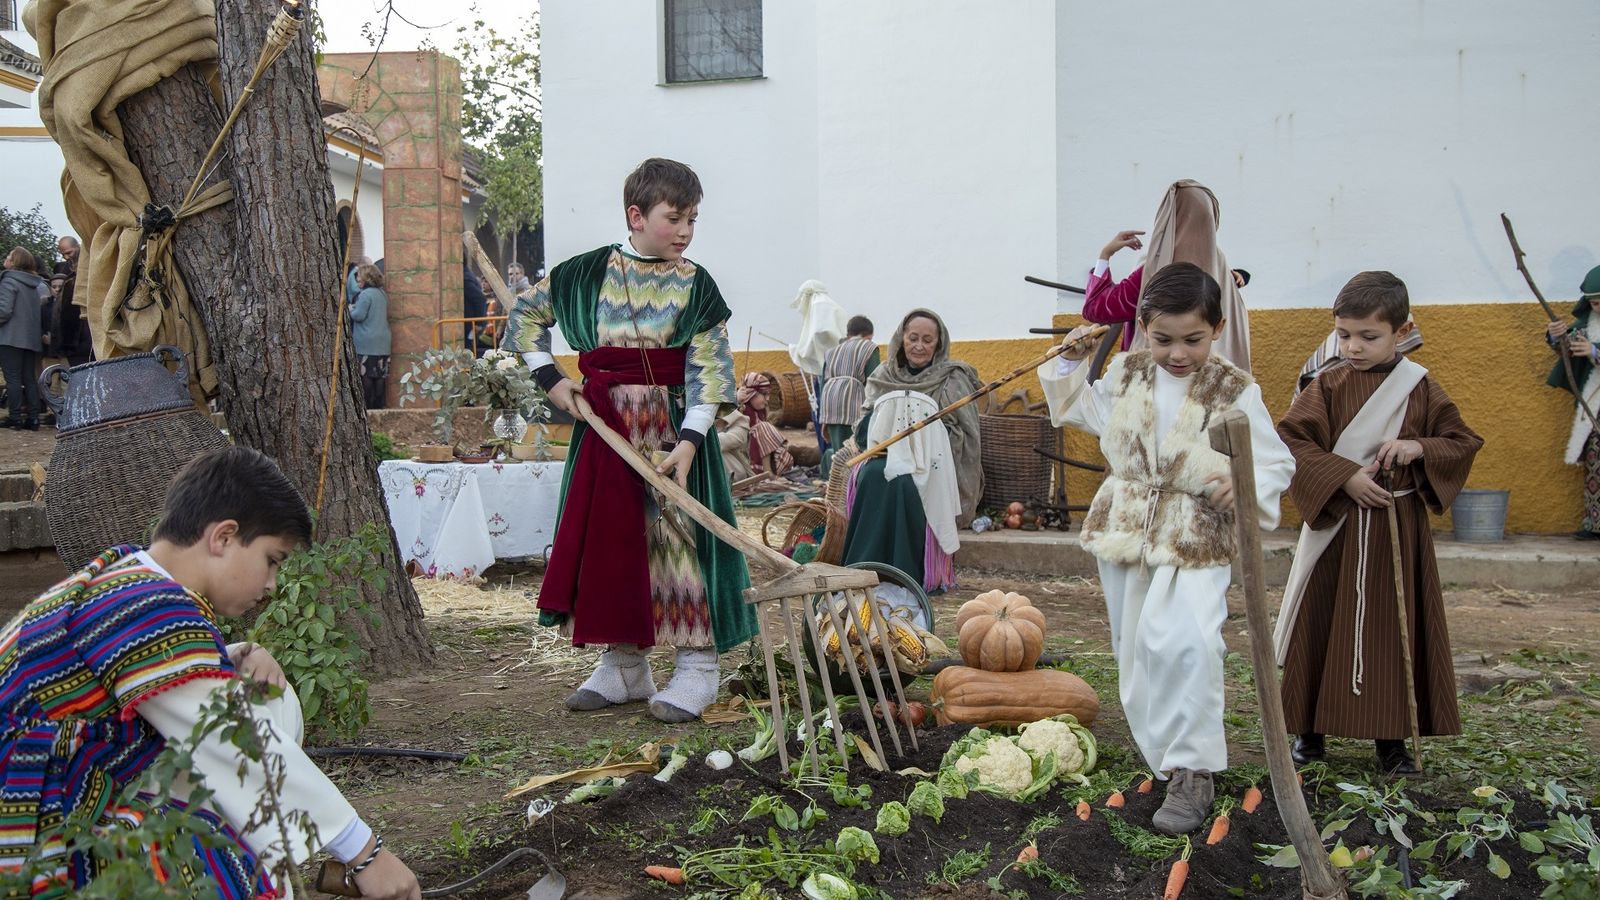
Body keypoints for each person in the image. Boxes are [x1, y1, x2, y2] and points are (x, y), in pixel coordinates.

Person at [0, 447, 420, 899]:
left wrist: (231, 655)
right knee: (218, 858)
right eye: (272, 560)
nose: (271, 584)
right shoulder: (150, 611)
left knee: (267, 700)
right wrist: (366, 854)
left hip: (51, 789)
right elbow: (233, 746)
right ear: (223, 537)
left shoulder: (127, 582)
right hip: (40, 814)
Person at [1039, 263, 1294, 834]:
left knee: (1193, 643)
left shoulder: (1234, 389)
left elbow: (1275, 460)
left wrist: (1245, 481)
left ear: (1218, 328)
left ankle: (1193, 770)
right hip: (1127, 529)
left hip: (1194, 534)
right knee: (1138, 653)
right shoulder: (1127, 374)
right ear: (1143, 329)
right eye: (1163, 339)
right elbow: (1075, 408)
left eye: (1193, 340)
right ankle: (1163, 755)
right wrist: (1070, 361)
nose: (1178, 353)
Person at [501, 157, 756, 724]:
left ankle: (697, 666)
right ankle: (623, 665)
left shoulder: (697, 284)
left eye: (693, 219)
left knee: (680, 542)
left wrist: (689, 443)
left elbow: (710, 369)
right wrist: (553, 380)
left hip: (673, 435)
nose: (686, 231)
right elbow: (523, 319)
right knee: (614, 545)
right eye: (675, 218)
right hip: (605, 431)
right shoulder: (584, 274)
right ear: (636, 215)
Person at [1275, 271, 1483, 776]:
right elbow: (1291, 441)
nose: (1354, 346)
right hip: (1337, 527)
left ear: (1401, 329)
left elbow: (1460, 440)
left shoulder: (1421, 386)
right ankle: (1308, 733)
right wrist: (1344, 477)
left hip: (1398, 527)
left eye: (1369, 336)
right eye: (1344, 334)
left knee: (1395, 627)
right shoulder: (1325, 383)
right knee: (1320, 621)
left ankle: (1392, 742)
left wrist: (1418, 447)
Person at [841, 309, 982, 594]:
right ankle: (862, 567)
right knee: (871, 475)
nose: (919, 346)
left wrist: (927, 436)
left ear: (938, 344)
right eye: (913, 338)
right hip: (881, 457)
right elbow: (864, 426)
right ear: (901, 339)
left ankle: (905, 572)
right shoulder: (883, 375)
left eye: (927, 340)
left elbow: (964, 434)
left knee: (906, 482)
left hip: (932, 464)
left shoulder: (952, 379)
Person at [1081, 180, 1252, 371]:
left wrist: (1105, 254)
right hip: (1214, 383)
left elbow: (1096, 308)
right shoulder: (1221, 272)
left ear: (1167, 218)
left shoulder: (1156, 274)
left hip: (1153, 381)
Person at [1543, 266, 1600, 539]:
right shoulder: (1589, 323)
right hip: (1594, 404)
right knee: (1594, 462)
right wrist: (1557, 335)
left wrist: (1594, 351)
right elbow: (1565, 349)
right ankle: (1595, 523)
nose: (1597, 307)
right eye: (1593, 302)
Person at [818, 315, 879, 477]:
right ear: (869, 335)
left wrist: (823, 413)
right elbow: (874, 381)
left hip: (830, 399)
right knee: (855, 449)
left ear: (848, 333)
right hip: (853, 398)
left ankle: (835, 486)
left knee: (839, 450)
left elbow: (823, 381)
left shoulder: (831, 352)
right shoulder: (869, 347)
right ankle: (850, 488)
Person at [0, 247, 45, 430]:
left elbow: (4, 311)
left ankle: (15, 417)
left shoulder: (9, 281)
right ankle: (33, 418)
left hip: (10, 338)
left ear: (14, 262)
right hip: (31, 339)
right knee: (29, 378)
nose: (6, 258)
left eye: (9, 256)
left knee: (12, 379)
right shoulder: (34, 284)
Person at [349, 262, 392, 410]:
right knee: (379, 377)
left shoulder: (365, 295)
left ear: (366, 277)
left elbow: (359, 315)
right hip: (383, 342)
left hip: (367, 343)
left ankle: (368, 408)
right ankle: (379, 406)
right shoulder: (382, 293)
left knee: (366, 376)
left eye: (359, 276)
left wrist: (349, 309)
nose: (357, 280)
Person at [737, 372, 793, 476]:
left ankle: (770, 472)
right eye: (764, 394)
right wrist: (737, 401)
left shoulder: (760, 412)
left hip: (757, 451)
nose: (767, 399)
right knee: (763, 427)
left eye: (769, 394)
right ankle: (767, 473)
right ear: (751, 393)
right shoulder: (740, 408)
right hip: (743, 453)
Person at [463, 261, 490, 354]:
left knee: (468, 354)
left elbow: (480, 299)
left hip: (470, 326)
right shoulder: (467, 274)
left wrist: (478, 323)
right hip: (470, 324)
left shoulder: (465, 278)